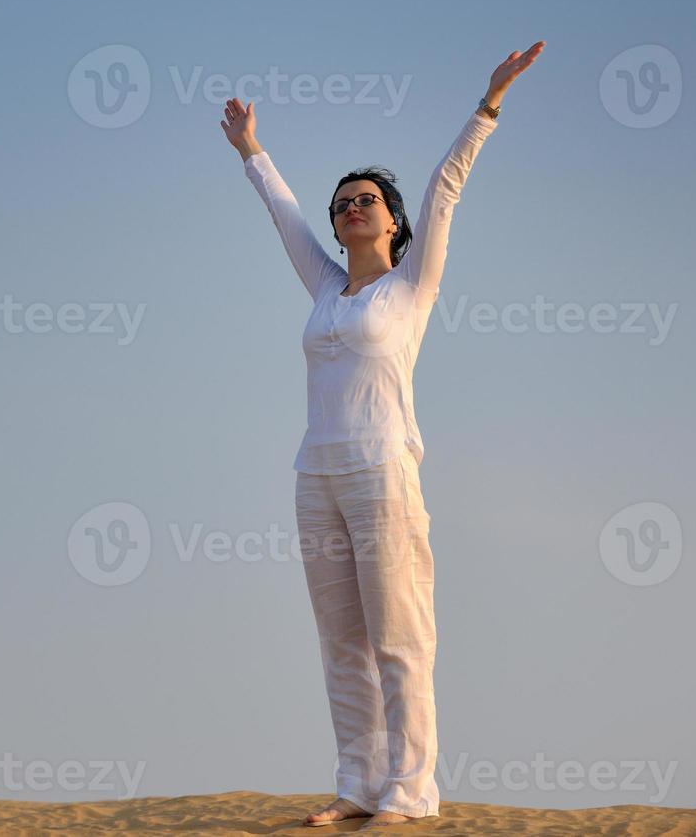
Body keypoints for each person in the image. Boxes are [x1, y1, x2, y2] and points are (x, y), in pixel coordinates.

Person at [218, 42, 544, 829]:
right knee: (341, 643)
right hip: (316, 476)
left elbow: (446, 190)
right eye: (342, 203)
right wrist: (251, 151)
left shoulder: (411, 284)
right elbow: (283, 216)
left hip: (383, 471)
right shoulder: (326, 289)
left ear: (393, 222)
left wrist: (488, 105)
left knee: (400, 637)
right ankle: (357, 786)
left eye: (366, 200)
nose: (350, 208)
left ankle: (410, 792)